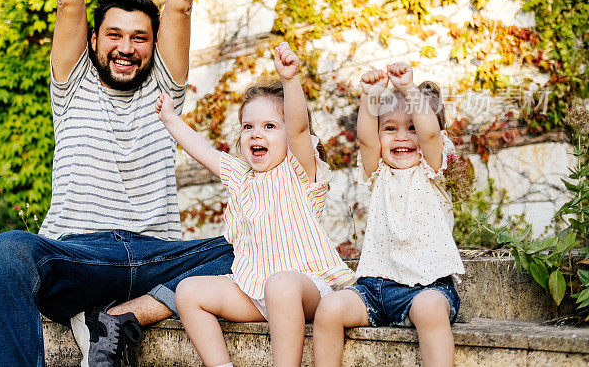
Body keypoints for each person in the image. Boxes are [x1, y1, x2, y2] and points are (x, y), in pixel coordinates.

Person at [0, 0, 234, 367]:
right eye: (114, 34)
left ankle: (125, 317)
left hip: (156, 255)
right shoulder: (71, 85)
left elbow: (180, 2)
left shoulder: (165, 86)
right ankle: (95, 315)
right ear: (93, 40)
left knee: (254, 241)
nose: (126, 46)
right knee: (4, 253)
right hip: (80, 255)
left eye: (140, 38)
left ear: (154, 47)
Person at [155, 41, 355, 367]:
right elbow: (202, 149)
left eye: (269, 126)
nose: (255, 134)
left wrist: (290, 80)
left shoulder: (299, 171)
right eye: (248, 126)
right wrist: (169, 118)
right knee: (188, 292)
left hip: (304, 288)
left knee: (281, 284)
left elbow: (300, 128)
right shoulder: (240, 176)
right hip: (253, 290)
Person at [312, 62, 465, 367]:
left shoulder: (432, 169)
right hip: (374, 288)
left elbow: (431, 136)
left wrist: (409, 89)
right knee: (328, 309)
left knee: (431, 311)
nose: (401, 137)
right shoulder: (378, 172)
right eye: (390, 128)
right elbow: (367, 139)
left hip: (428, 287)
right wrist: (370, 96)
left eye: (412, 128)